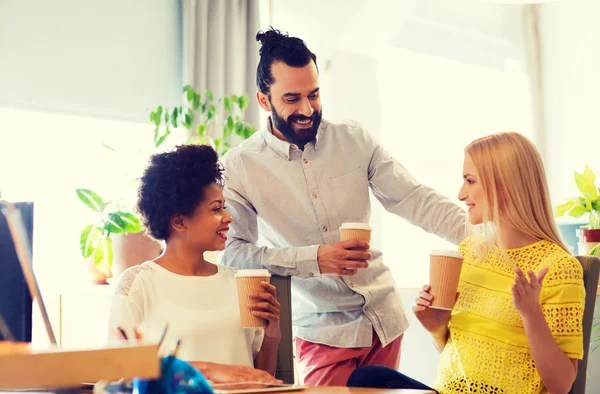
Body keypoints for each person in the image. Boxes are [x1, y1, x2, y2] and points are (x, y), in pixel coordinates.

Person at [216, 27, 467, 386]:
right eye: (291, 99)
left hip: (384, 320)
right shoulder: (241, 166)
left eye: (314, 94)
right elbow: (234, 254)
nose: (306, 109)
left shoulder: (353, 139)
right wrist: (314, 258)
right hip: (321, 332)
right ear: (262, 99)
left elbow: (413, 198)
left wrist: (484, 235)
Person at [347, 132, 586, 393]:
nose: (461, 195)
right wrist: (437, 327)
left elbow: (562, 385)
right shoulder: (471, 251)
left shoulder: (559, 268)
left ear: (503, 184)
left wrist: (531, 315)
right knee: (367, 378)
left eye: (470, 181)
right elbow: (456, 351)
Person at [108, 144, 282, 386]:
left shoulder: (238, 283)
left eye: (224, 207)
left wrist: (272, 337)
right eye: (216, 209)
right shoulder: (139, 283)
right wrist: (211, 371)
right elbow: (120, 372)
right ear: (179, 221)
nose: (228, 217)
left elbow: (261, 379)